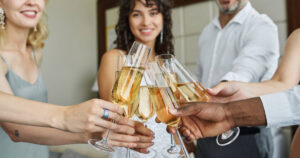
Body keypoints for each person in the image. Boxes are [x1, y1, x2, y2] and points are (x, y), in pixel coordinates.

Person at [0, 0, 153, 157]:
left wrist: (90, 135)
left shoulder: (35, 53)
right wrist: (67, 115)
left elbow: (29, 129)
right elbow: (16, 130)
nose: (31, 2)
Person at [169, 28, 300, 157]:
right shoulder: (298, 36)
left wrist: (228, 109)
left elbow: (250, 66)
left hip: (247, 132)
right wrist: (239, 90)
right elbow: (281, 83)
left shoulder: (261, 25)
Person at [194, 0, 280, 157]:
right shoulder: (207, 32)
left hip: (245, 136)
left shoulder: (262, 26)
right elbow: (199, 76)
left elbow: (246, 71)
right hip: (205, 133)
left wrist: (220, 90)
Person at [98, 0, 182, 157]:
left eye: (153, 13)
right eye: (137, 14)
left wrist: (182, 152)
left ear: (164, 18)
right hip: (131, 151)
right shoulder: (115, 58)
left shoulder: (166, 65)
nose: (146, 22)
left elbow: (172, 124)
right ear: (127, 19)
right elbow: (114, 117)